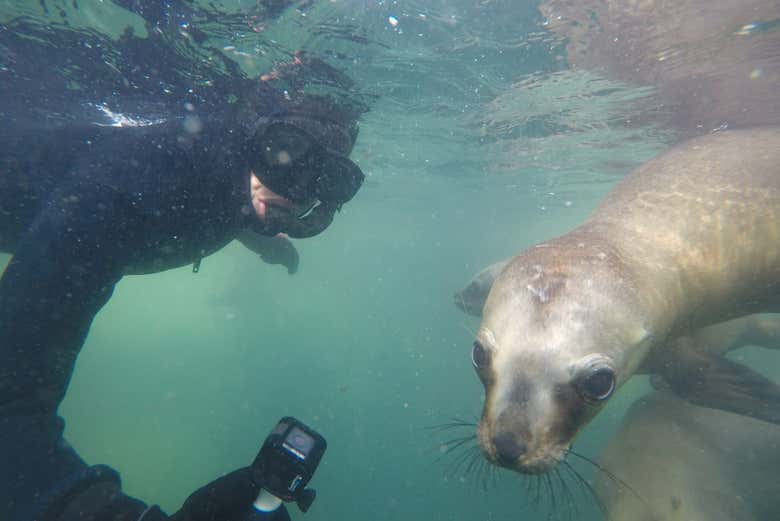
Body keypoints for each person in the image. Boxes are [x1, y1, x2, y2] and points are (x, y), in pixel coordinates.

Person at [0, 6, 365, 520]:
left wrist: (262, 240)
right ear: (254, 132)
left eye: (325, 178)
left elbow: (222, 196)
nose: (295, 190)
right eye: (286, 152)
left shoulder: (223, 177)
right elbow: (7, 405)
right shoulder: (123, 192)